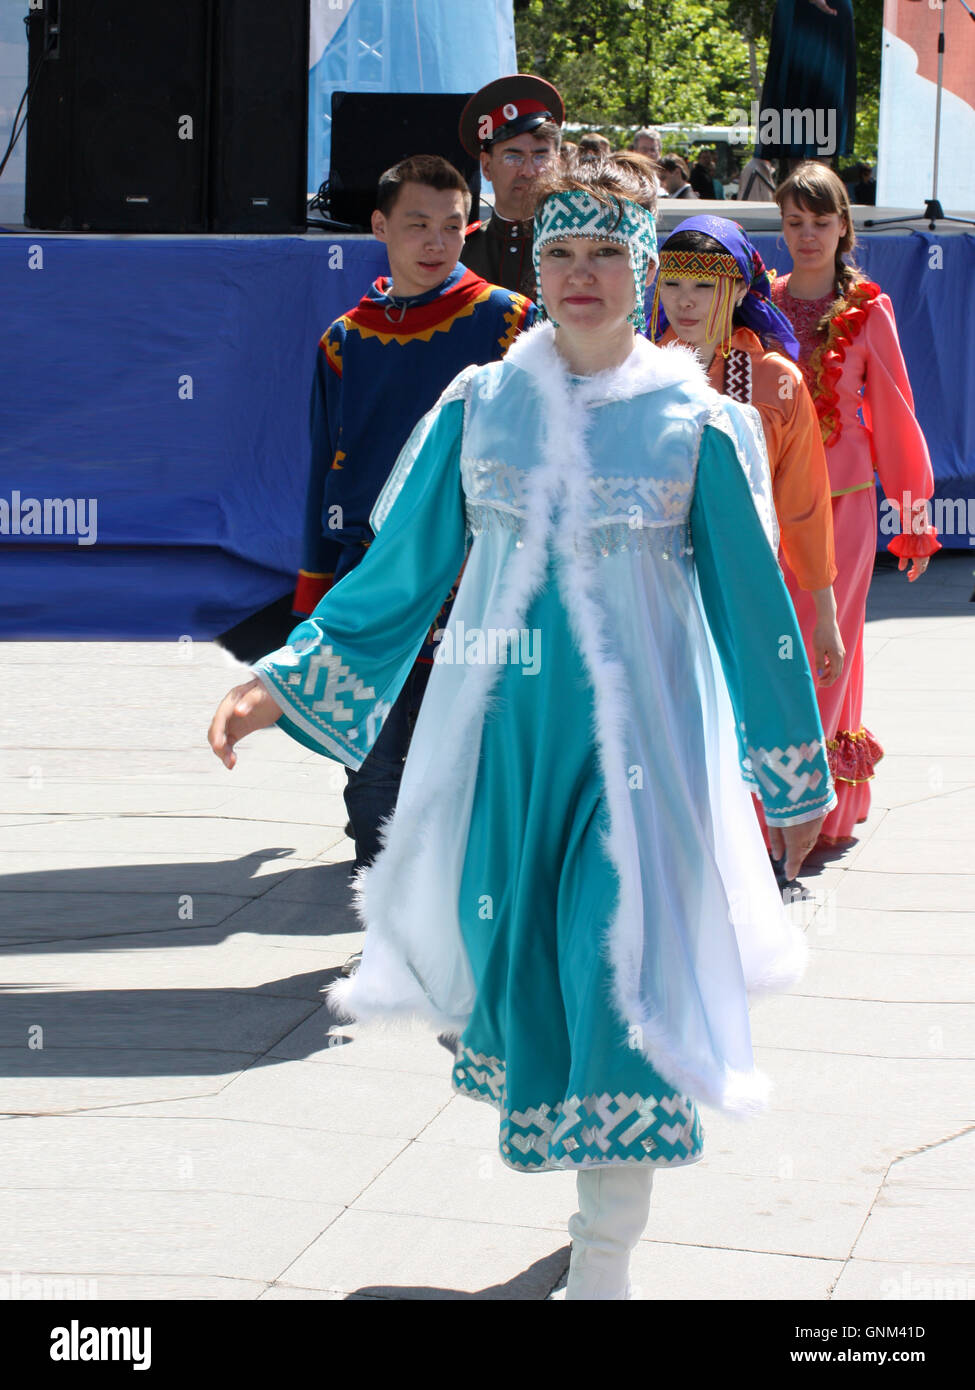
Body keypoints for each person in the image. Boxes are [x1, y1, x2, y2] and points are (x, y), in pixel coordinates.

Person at [209, 154, 835, 1300]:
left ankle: (604, 1261)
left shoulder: (694, 422)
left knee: (616, 974)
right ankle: (571, 1146)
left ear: (643, 268)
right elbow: (398, 571)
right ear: (533, 266)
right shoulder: (481, 409)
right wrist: (283, 684)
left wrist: (793, 778)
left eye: (605, 252)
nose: (581, 274)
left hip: (641, 765)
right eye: (559, 252)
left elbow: (757, 615)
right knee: (511, 977)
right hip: (502, 754)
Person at [295, 153, 536, 875]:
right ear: (378, 226)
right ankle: (383, 915)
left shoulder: (512, 323)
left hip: (475, 581)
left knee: (461, 761)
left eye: (452, 226)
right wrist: (313, 595)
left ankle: (449, 925)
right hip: (368, 581)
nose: (436, 243)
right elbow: (321, 472)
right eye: (416, 225)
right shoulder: (343, 339)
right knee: (368, 772)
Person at [651, 215, 843, 866]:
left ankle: (731, 865)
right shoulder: (633, 374)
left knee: (732, 724)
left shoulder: (772, 383)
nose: (682, 301)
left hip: (736, 592)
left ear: (737, 291)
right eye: (670, 283)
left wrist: (822, 612)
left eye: (701, 287)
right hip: (647, 588)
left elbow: (804, 506)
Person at [771, 161, 940, 846]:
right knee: (772, 647)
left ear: (844, 226)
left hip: (842, 508)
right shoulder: (761, 301)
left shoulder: (868, 308)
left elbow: (895, 415)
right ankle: (773, 803)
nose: (806, 235)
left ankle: (816, 812)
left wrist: (914, 518)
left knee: (825, 652)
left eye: (820, 222)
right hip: (769, 507)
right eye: (792, 223)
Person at [458, 73, 564, 298]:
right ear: (486, 166)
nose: (527, 171)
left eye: (540, 157)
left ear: (558, 163)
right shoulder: (461, 250)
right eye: (513, 157)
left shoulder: (577, 244)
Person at [759, 0, 856, 162]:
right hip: (803, 13)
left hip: (829, 16)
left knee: (826, 111)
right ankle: (803, 183)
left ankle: (817, 183)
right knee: (795, 107)